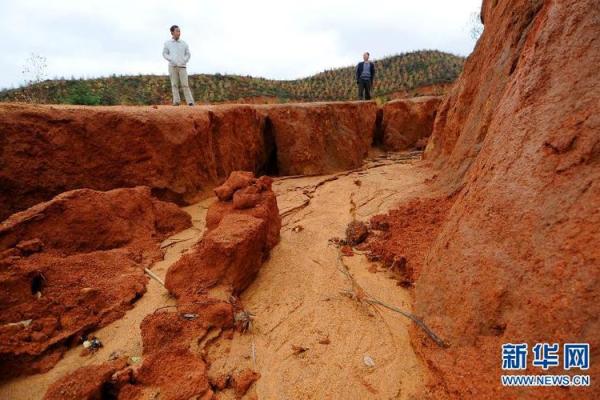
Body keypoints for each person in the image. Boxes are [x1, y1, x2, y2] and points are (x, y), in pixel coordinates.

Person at [163, 25, 195, 106]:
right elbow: (164, 53)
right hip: (172, 66)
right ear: (172, 32)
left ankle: (190, 102)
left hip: (182, 67)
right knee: (174, 85)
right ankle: (176, 102)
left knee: (185, 84)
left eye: (179, 31)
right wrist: (170, 59)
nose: (179, 33)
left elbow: (188, 54)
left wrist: (184, 60)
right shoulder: (167, 43)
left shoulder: (184, 43)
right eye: (177, 31)